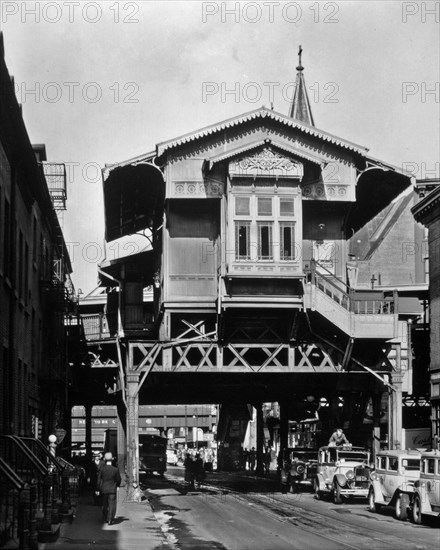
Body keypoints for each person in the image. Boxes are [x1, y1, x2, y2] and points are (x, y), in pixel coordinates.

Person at [97, 452, 121, 525]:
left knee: (104, 504)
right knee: (111, 504)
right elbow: (118, 479)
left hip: (104, 489)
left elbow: (98, 480)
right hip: (112, 490)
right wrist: (117, 486)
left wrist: (98, 489)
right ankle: (110, 519)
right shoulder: (115, 469)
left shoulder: (102, 469)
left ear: (105, 459)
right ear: (112, 459)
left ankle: (104, 518)